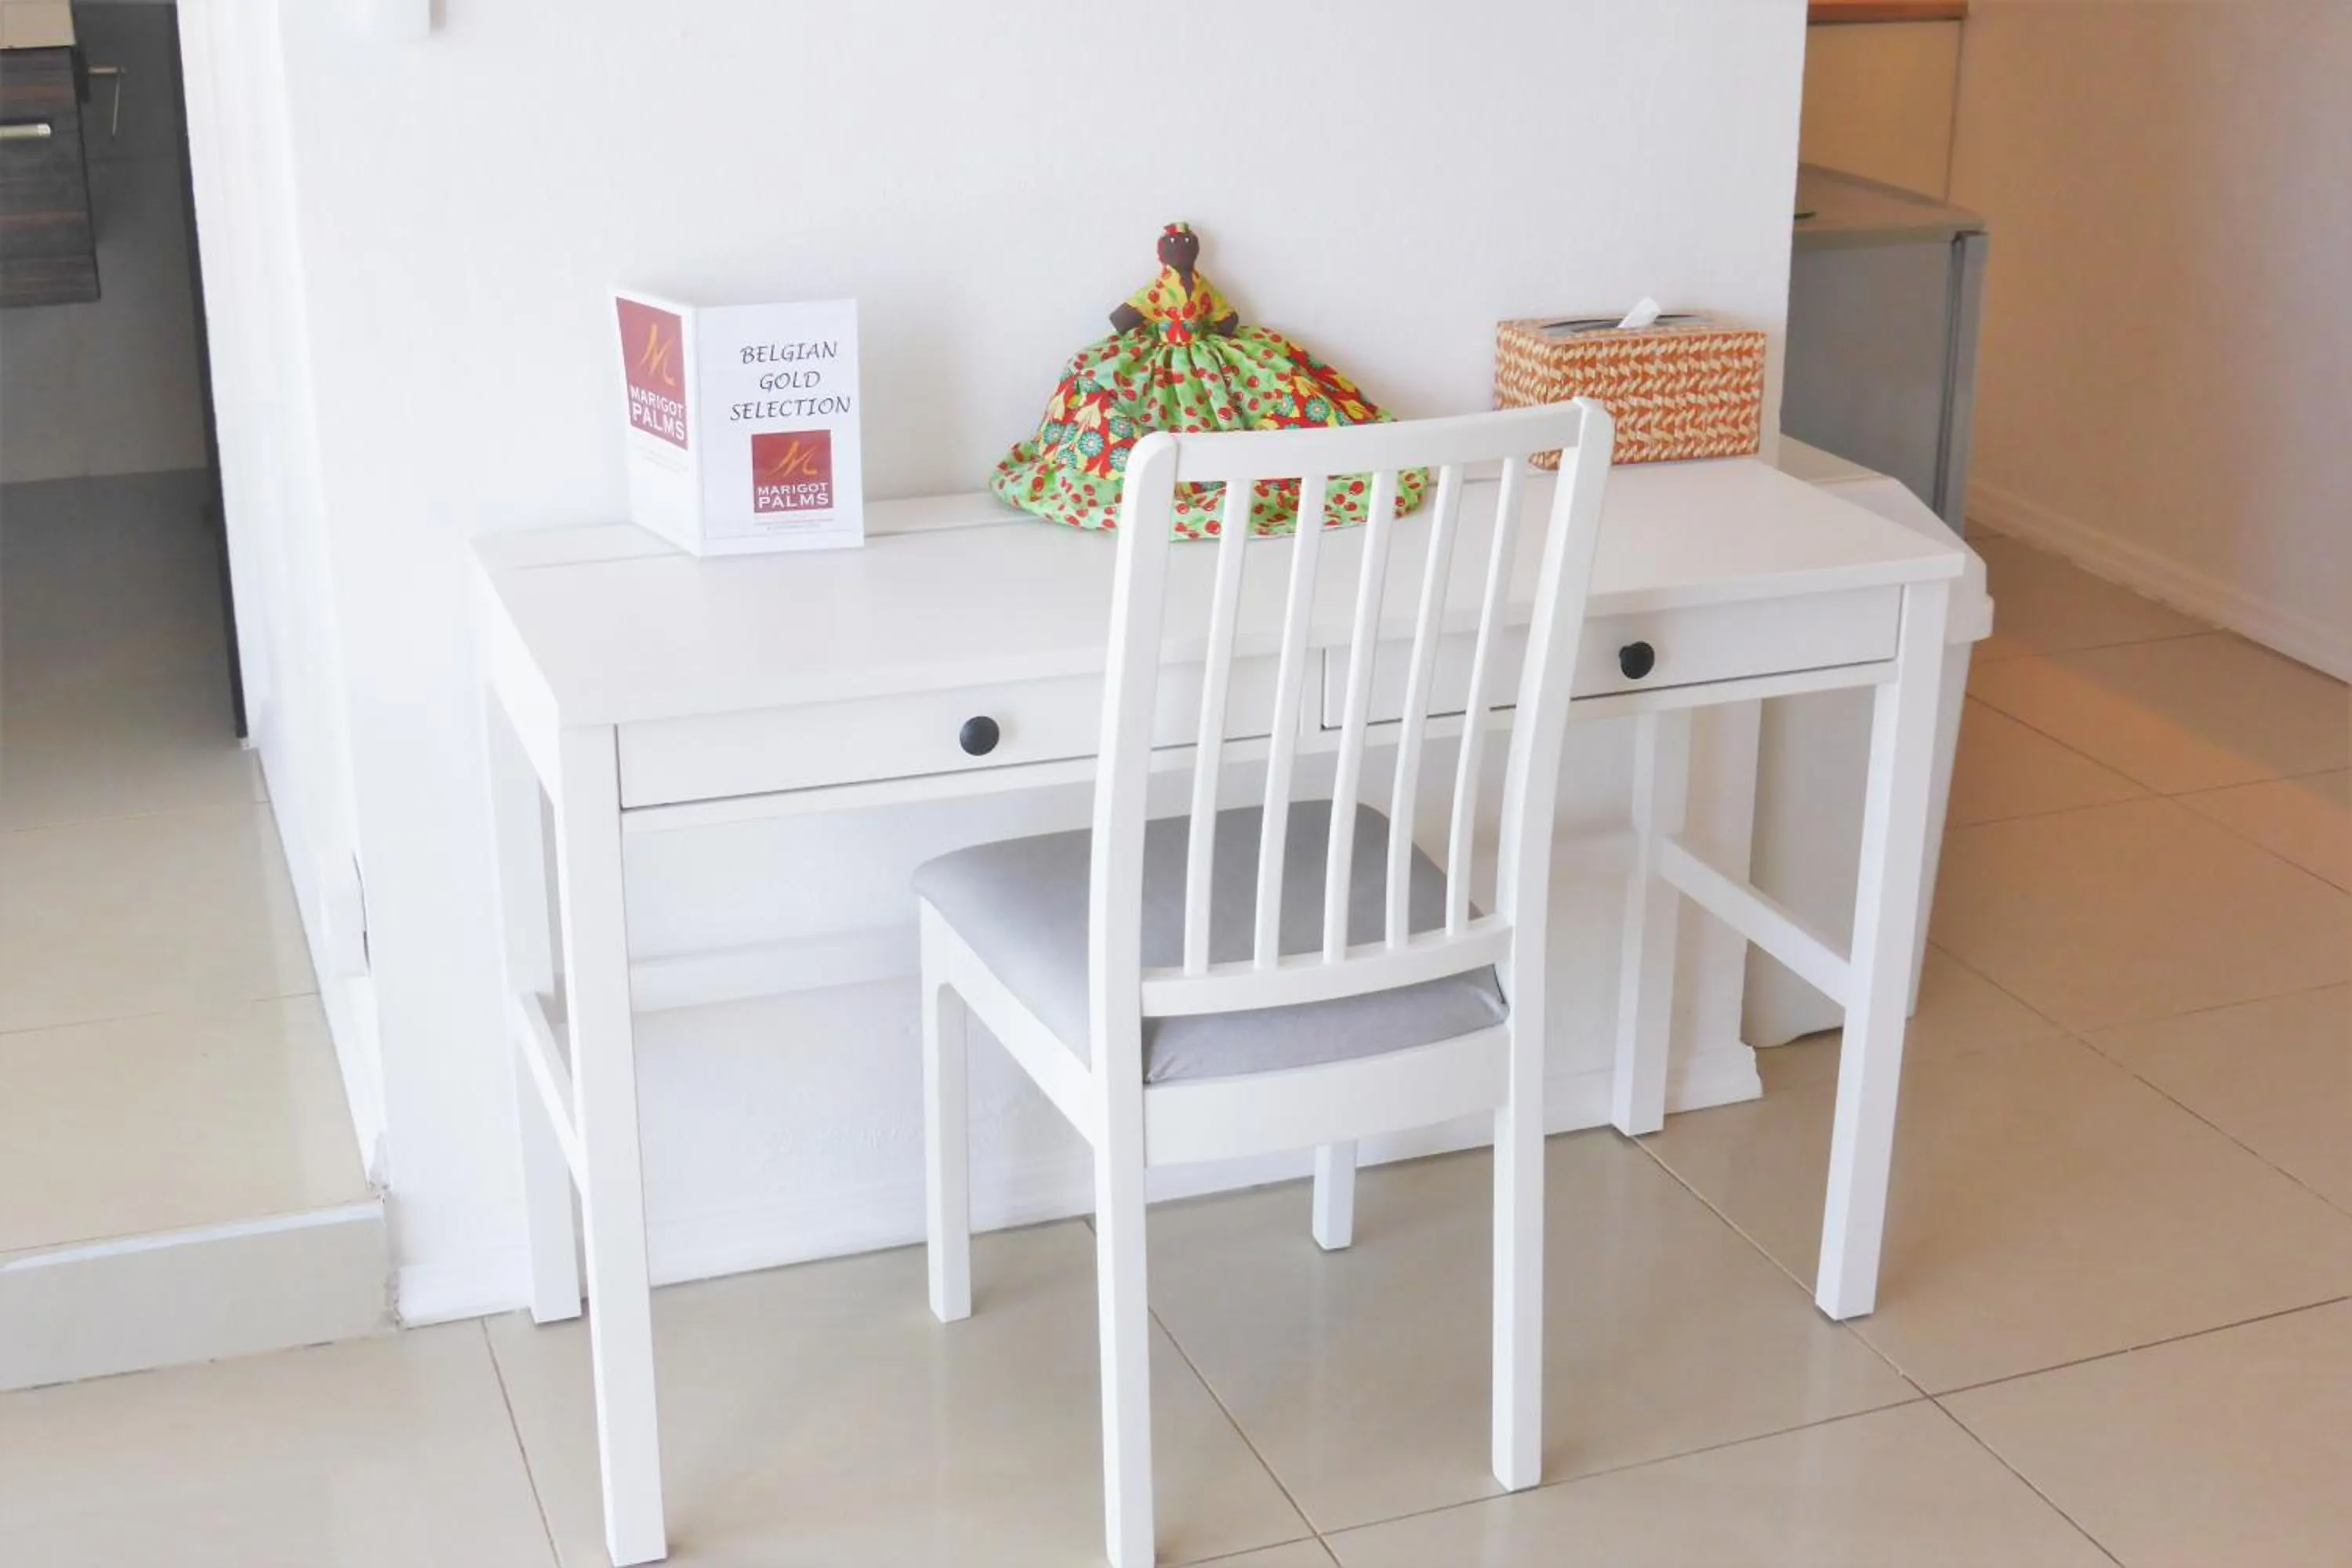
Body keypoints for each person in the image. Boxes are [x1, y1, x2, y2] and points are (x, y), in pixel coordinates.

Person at [993, 223, 1425, 538]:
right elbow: (1126, 316)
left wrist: (1221, 325)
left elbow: (1225, 316)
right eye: (1176, 247)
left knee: (1265, 389)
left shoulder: (1199, 284)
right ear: (1165, 253)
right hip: (1168, 347)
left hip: (1202, 346)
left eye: (1185, 247)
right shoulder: (1160, 288)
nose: (1181, 252)